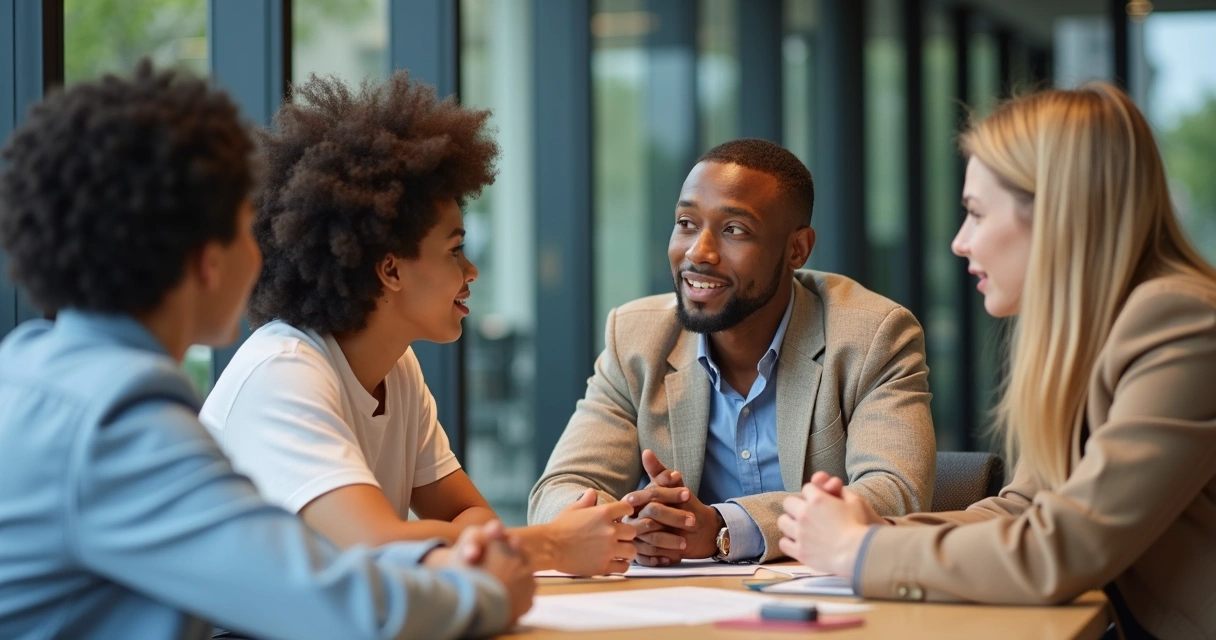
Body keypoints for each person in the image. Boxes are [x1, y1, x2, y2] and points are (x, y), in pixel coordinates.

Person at [0, 62, 534, 640]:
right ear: (208, 261)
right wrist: (489, 591)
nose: (262, 255)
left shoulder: (30, 371)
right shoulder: (119, 423)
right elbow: (331, 602)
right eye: (245, 230)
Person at [779, 83, 1216, 639]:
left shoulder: (1181, 323)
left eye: (976, 214)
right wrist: (876, 531)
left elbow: (1065, 547)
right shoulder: (1092, 333)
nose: (960, 242)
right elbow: (1024, 509)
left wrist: (860, 550)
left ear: (1058, 216)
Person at [200, 71, 636, 576]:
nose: (471, 271)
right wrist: (553, 544)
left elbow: (471, 518)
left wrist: (440, 539)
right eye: (455, 250)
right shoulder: (284, 372)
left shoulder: (397, 369)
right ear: (390, 270)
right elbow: (378, 544)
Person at [529, 138, 937, 566]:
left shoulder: (871, 336)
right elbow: (559, 491)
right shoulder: (635, 339)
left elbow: (896, 495)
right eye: (686, 223)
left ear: (797, 249)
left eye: (734, 230)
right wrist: (634, 522)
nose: (698, 252)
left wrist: (724, 528)